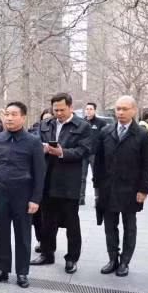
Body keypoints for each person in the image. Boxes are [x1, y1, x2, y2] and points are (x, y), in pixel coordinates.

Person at [0, 102, 46, 288]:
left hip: (23, 194)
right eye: (7, 114)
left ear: (23, 118)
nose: (9, 118)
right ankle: (2, 270)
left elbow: (39, 172)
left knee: (23, 235)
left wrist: (35, 199)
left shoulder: (33, 141)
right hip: (0, 192)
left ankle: (22, 273)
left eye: (14, 114)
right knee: (2, 233)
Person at [94, 96, 148, 277]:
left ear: (134, 110)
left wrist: (143, 190)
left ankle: (125, 261)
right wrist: (97, 186)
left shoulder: (143, 134)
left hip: (131, 189)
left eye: (125, 109)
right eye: (118, 108)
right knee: (110, 226)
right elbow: (98, 161)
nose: (120, 112)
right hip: (108, 188)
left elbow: (147, 165)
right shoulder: (106, 131)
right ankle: (113, 258)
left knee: (129, 226)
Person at [33, 93, 92, 274]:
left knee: (71, 222)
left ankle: (72, 258)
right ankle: (47, 253)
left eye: (62, 110)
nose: (58, 113)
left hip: (68, 181)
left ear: (71, 107)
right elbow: (34, 141)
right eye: (55, 110)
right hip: (47, 179)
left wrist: (61, 152)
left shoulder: (83, 126)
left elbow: (84, 150)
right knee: (46, 220)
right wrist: (41, 148)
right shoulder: (45, 124)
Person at [29, 109, 53, 253]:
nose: (47, 122)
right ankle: (40, 240)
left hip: (54, 178)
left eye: (50, 119)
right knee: (37, 216)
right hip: (37, 179)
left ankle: (48, 243)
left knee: (50, 216)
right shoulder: (34, 132)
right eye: (45, 119)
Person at [81, 102, 107, 206]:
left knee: (97, 176)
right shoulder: (81, 122)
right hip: (83, 153)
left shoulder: (101, 123)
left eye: (91, 109)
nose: (88, 111)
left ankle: (98, 198)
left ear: (94, 110)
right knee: (82, 177)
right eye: (87, 109)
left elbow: (105, 138)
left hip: (95, 154)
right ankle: (81, 197)